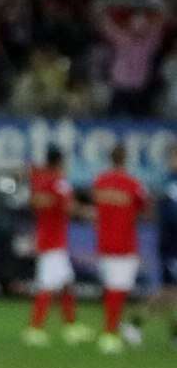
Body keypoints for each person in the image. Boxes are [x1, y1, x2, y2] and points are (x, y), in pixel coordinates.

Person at [23, 146, 90, 346]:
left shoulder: (40, 181)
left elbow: (34, 202)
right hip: (54, 242)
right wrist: (90, 213)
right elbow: (69, 206)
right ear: (60, 162)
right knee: (46, 286)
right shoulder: (59, 182)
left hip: (45, 237)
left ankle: (70, 326)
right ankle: (34, 329)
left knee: (67, 283)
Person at [90, 145, 149, 354]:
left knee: (111, 287)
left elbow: (96, 207)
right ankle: (110, 333)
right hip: (124, 243)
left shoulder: (100, 182)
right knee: (119, 288)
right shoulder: (134, 184)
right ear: (126, 160)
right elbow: (144, 208)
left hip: (104, 242)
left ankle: (114, 326)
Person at [159, 144, 177, 289]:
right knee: (167, 263)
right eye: (171, 157)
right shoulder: (166, 179)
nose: (172, 160)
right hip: (168, 231)